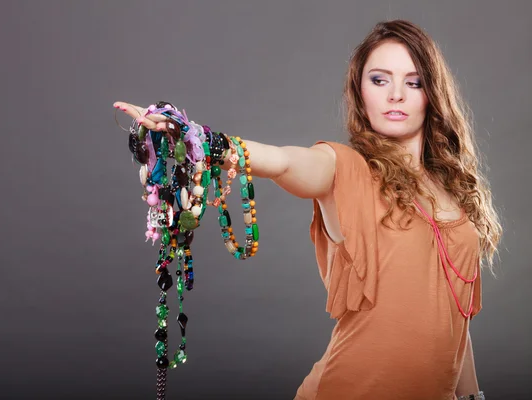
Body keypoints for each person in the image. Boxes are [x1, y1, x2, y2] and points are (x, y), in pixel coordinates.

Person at [113, 19, 501, 400]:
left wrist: (471, 395)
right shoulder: (344, 167)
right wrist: (197, 139)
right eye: (379, 80)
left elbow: (455, 317)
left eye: (413, 82)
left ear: (432, 93)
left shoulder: (454, 193)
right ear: (360, 91)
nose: (395, 94)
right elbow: (282, 161)